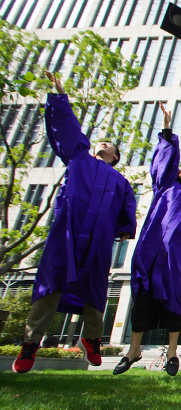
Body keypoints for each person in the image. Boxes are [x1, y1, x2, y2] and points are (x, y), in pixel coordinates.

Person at [12, 71, 137, 374]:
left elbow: (127, 210)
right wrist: (59, 95)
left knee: (95, 285)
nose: (103, 144)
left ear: (116, 156)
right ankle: (31, 343)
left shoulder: (120, 181)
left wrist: (122, 230)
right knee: (53, 277)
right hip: (68, 229)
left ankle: (91, 339)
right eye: (101, 142)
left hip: (99, 237)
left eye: (109, 144)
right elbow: (67, 128)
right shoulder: (80, 159)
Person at [114, 102, 181, 377]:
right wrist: (168, 128)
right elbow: (165, 163)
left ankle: (172, 353)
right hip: (151, 251)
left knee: (174, 300)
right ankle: (133, 350)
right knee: (143, 297)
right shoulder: (166, 187)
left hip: (175, 261)